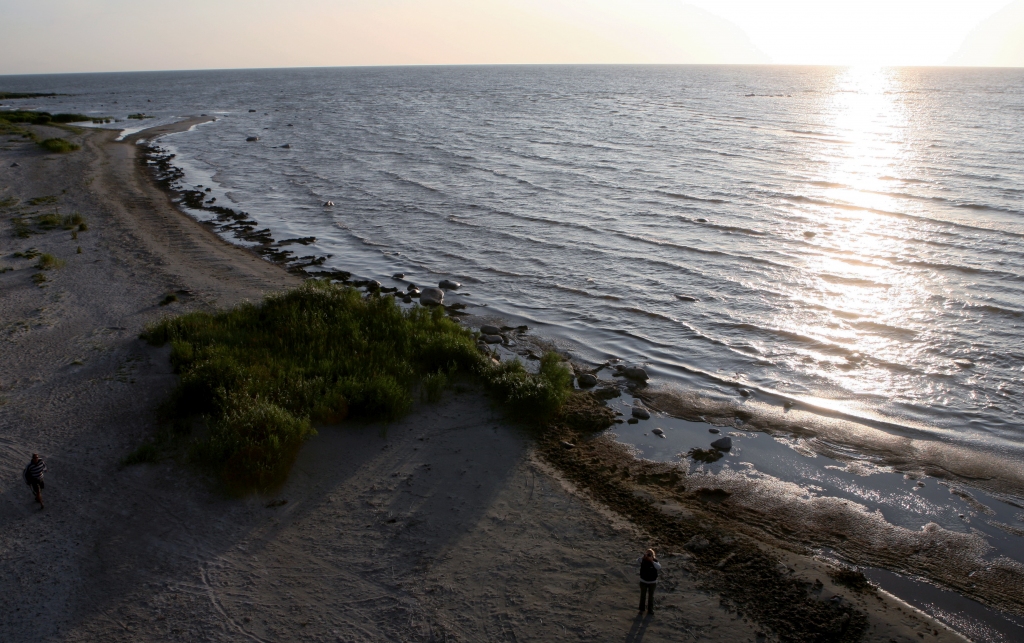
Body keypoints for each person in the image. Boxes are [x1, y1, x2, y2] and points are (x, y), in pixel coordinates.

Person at [636, 548, 661, 614]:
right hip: (643, 581)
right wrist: (644, 556)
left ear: (653, 555)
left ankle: (650, 610)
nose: (648, 555)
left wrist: (652, 561)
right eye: (647, 553)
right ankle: (641, 609)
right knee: (643, 596)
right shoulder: (643, 560)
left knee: (651, 597)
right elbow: (637, 560)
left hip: (652, 582)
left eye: (649, 554)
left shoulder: (655, 561)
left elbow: (659, 567)